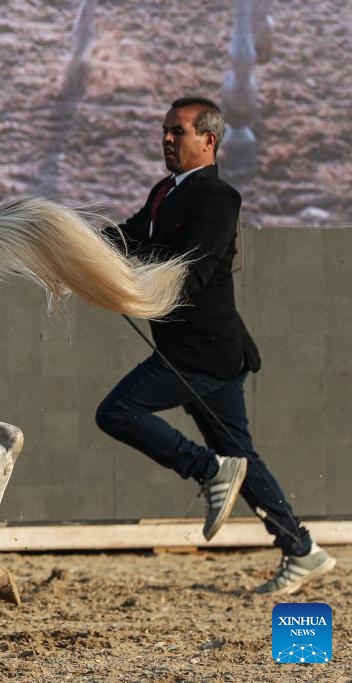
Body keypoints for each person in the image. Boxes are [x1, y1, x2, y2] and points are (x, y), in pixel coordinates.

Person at [95, 96, 335, 595]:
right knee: (240, 454)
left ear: (208, 140)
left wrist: (135, 289)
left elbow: (197, 272)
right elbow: (132, 239)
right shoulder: (165, 191)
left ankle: (205, 469)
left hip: (201, 353)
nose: (166, 139)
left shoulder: (218, 197)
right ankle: (301, 550)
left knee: (117, 413)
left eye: (176, 131)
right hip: (205, 351)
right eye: (164, 130)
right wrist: (78, 243)